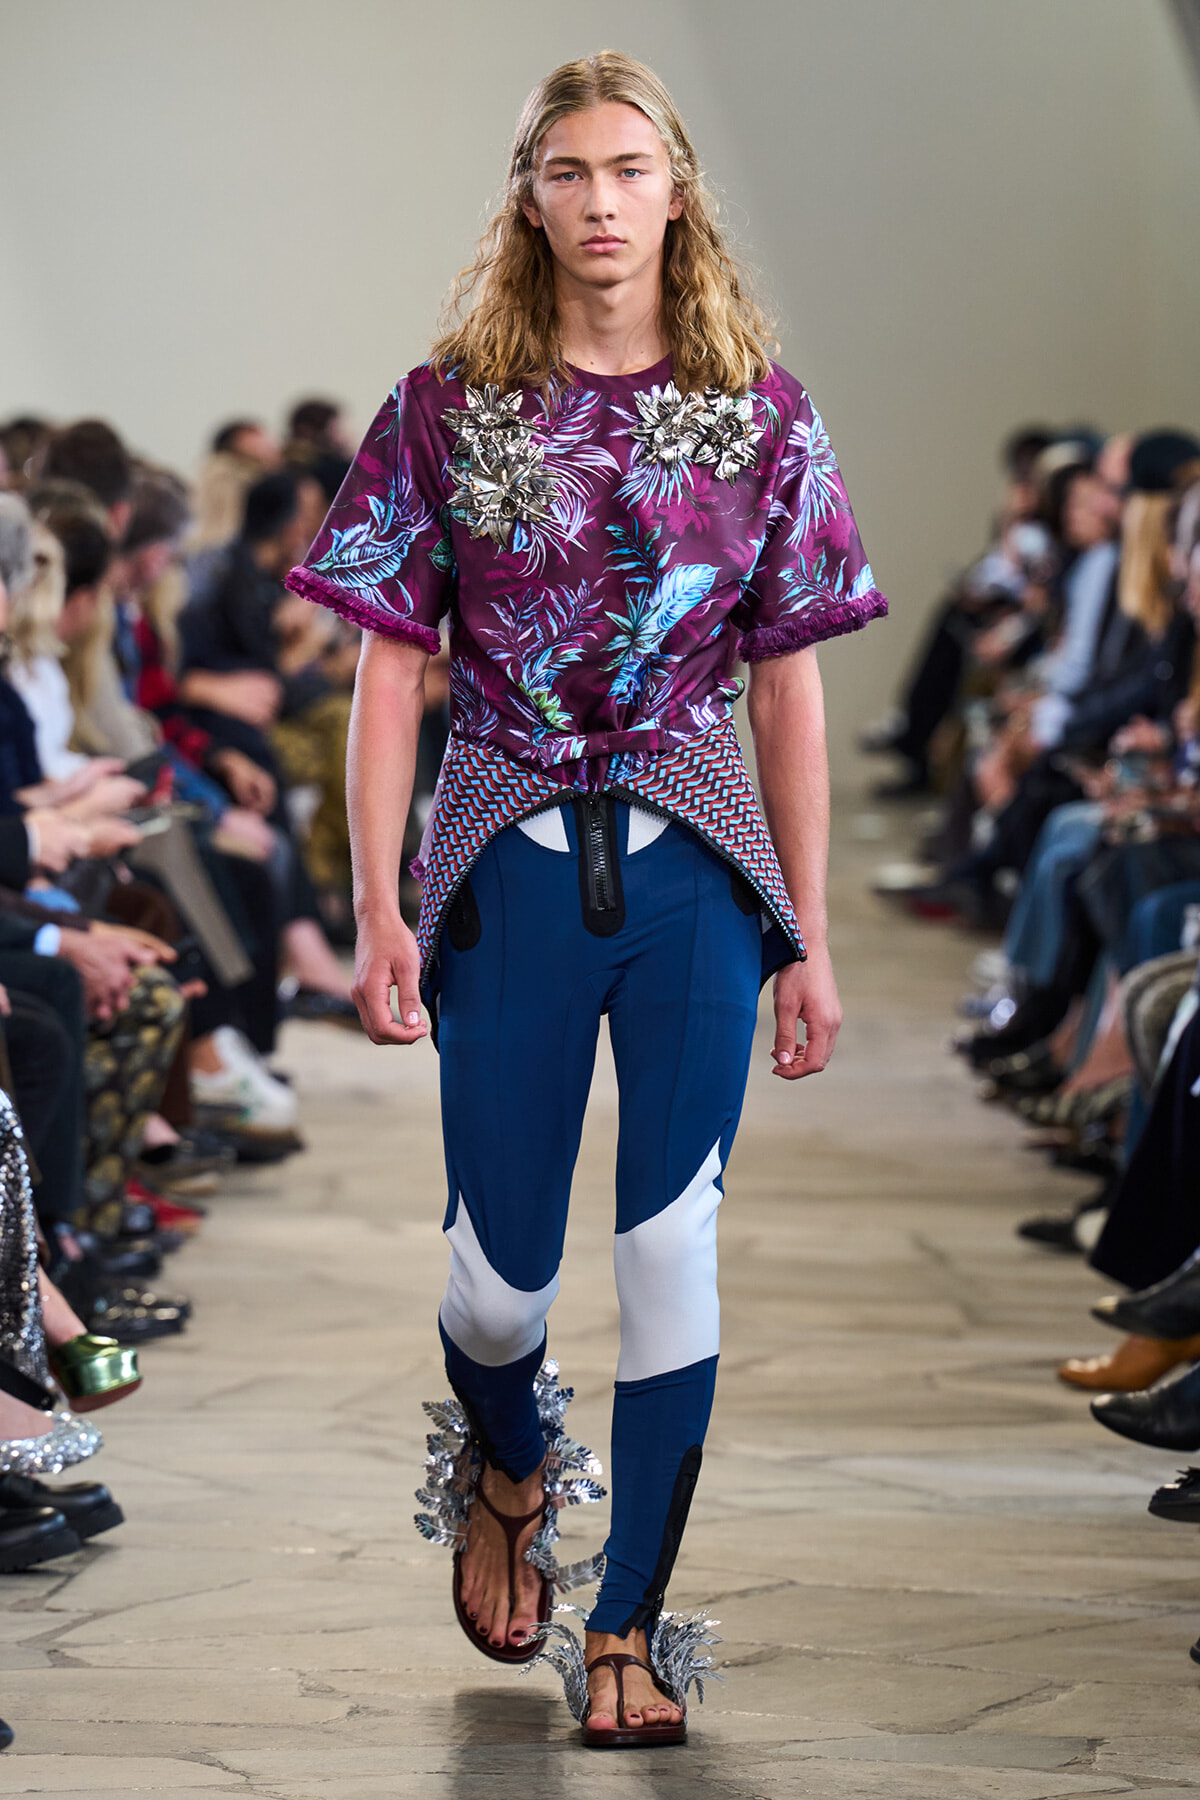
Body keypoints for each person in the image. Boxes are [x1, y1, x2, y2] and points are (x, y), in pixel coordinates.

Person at [288, 51, 886, 1747]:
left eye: (632, 168)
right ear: (530, 196)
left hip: (697, 868)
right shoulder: (443, 408)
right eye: (570, 172)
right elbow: (388, 671)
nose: (604, 200)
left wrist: (813, 935)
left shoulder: (760, 409)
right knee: (495, 1285)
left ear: (677, 191)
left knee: (673, 1245)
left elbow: (789, 686)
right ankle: (509, 1452)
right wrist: (380, 902)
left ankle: (625, 1626)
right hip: (499, 865)